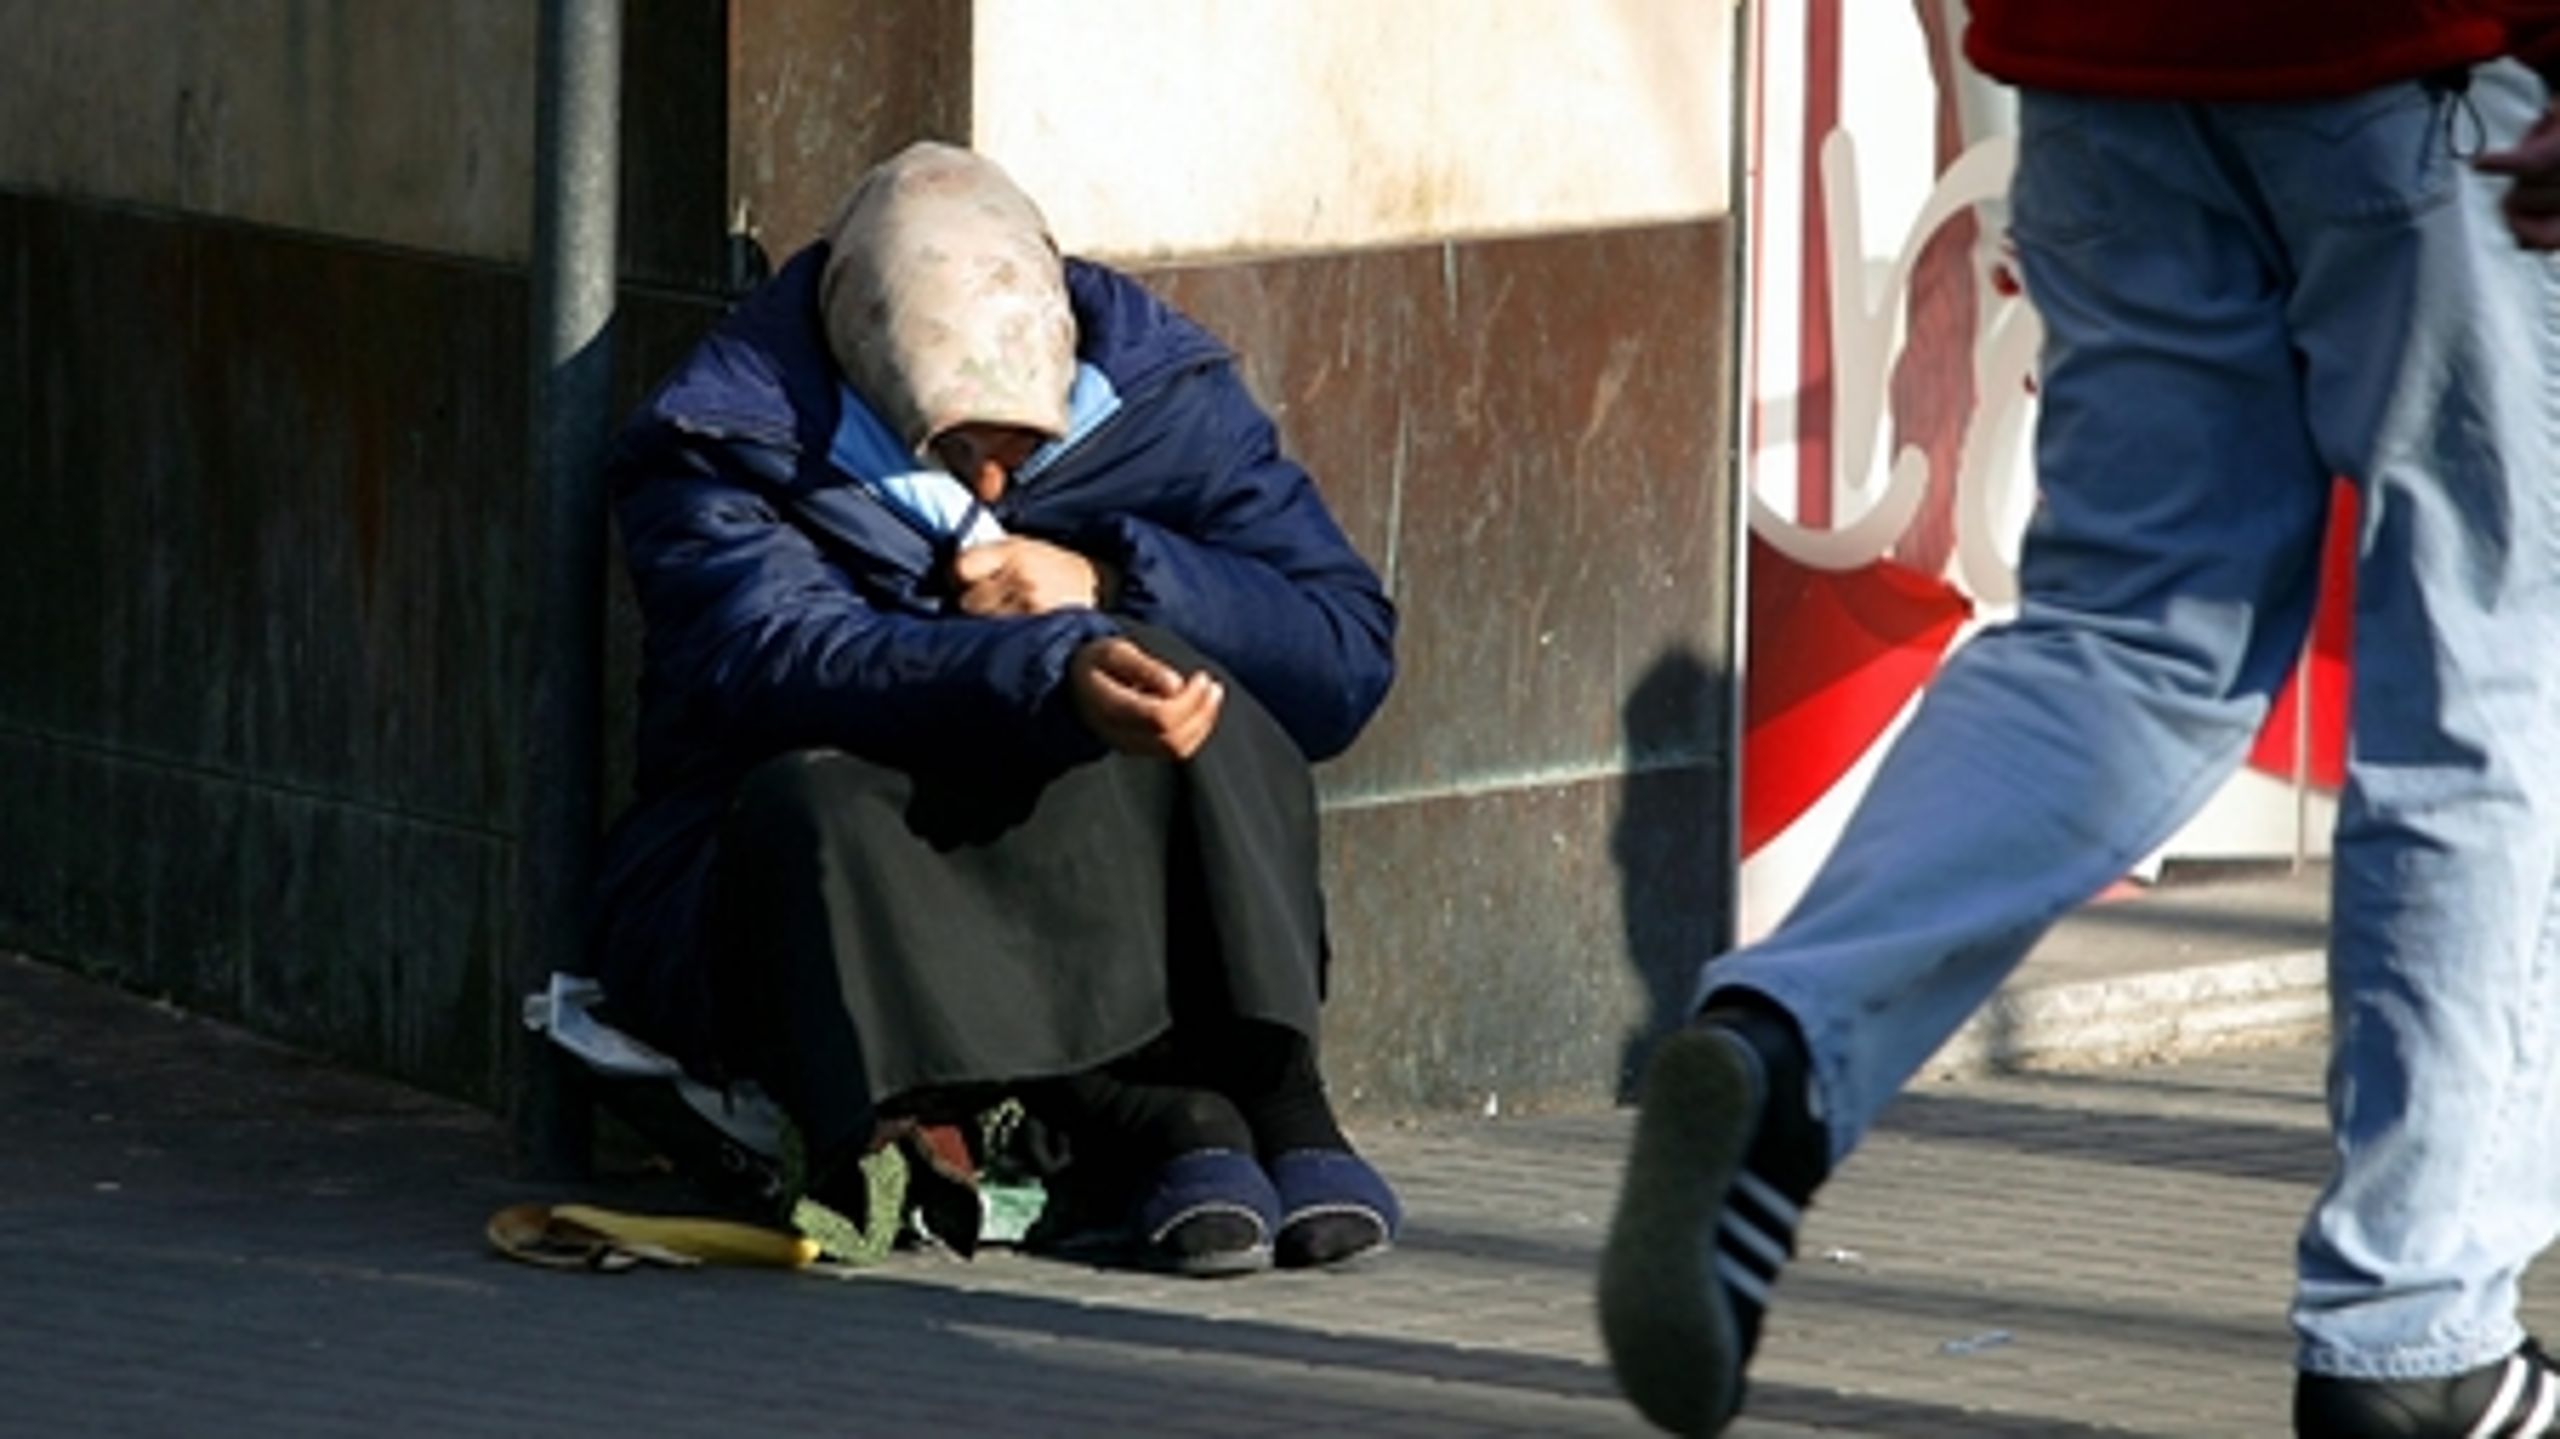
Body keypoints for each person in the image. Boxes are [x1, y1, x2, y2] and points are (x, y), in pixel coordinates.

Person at [1597, 5, 2560, 1434]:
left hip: (2106, 67)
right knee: (2491, 685)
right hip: (2432, 75)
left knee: (2121, 636)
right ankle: (2413, 1332)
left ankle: (1785, 1041)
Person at [589, 142, 1400, 1276]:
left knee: (1189, 670)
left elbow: (1341, 653)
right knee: (813, 796)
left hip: (1082, 856)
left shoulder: (1167, 405)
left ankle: (1271, 1091)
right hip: (793, 872)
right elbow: (775, 658)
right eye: (959, 448)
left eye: (1018, 451)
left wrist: (1108, 582)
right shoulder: (723, 443)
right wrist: (1043, 669)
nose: (988, 488)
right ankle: (1101, 1124)